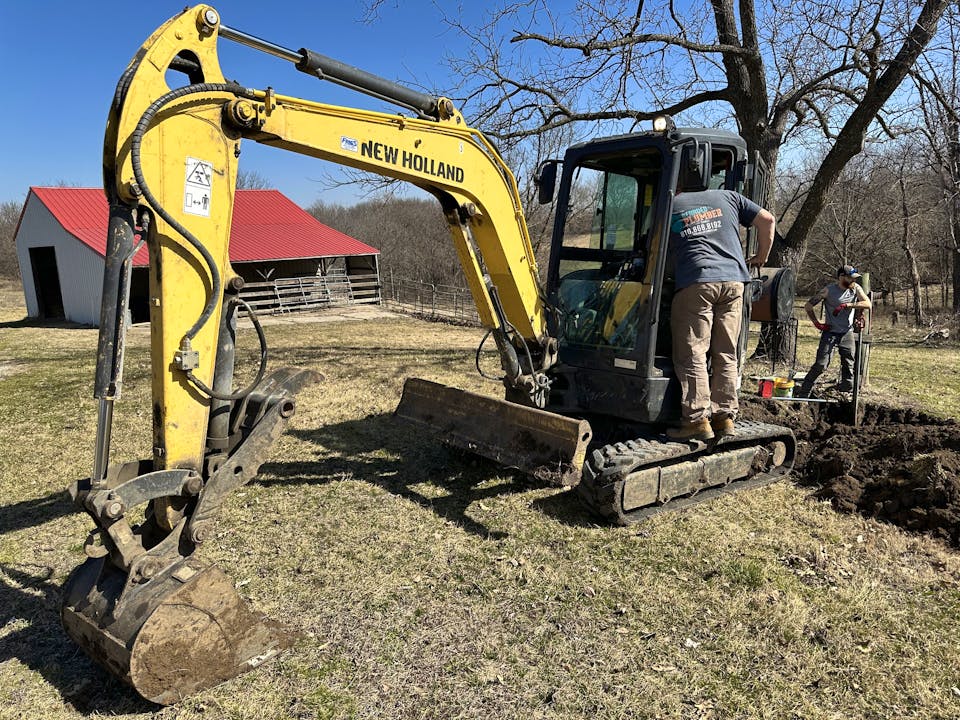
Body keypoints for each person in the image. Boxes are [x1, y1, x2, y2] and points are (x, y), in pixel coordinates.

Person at [666, 187, 775, 442]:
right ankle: (724, 417)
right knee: (725, 351)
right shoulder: (730, 196)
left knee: (693, 351)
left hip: (698, 280)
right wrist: (761, 257)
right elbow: (768, 220)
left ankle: (695, 420)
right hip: (734, 281)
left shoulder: (672, 204)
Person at [796, 265, 871, 397]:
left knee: (849, 364)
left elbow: (868, 304)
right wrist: (817, 324)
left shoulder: (855, 289)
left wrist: (847, 305)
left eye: (854, 278)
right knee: (821, 365)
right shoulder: (828, 291)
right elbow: (808, 306)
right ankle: (804, 392)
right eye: (850, 278)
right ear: (841, 277)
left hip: (847, 333)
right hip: (830, 332)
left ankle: (846, 392)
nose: (853, 280)